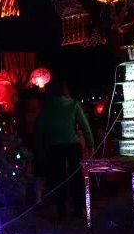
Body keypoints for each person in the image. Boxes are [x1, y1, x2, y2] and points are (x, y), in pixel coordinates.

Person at [35, 78, 94, 220]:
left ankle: (61, 210)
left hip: (54, 146)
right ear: (66, 90)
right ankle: (78, 209)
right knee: (76, 177)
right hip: (72, 144)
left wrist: (39, 148)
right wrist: (91, 144)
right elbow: (85, 126)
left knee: (58, 179)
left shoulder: (47, 107)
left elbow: (40, 130)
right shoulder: (74, 104)